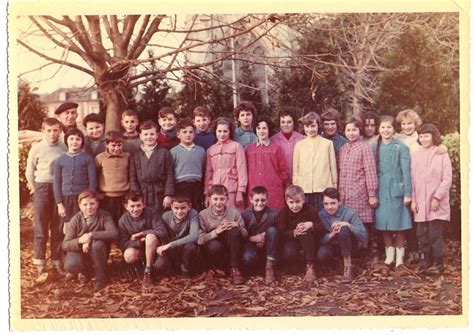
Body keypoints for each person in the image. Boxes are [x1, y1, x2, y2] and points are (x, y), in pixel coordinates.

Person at [394, 109, 448, 263]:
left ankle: (429, 257)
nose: (407, 126)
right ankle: (414, 251)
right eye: (404, 124)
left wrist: (444, 148)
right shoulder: (398, 139)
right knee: (411, 222)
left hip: (424, 184)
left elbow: (437, 146)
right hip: (406, 182)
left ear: (416, 124)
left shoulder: (422, 138)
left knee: (426, 226)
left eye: (410, 123)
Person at [26, 117, 67, 279]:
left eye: (55, 130)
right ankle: (40, 264)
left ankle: (57, 262)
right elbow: (29, 171)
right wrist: (35, 188)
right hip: (41, 187)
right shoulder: (36, 148)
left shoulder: (64, 147)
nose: (52, 133)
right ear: (43, 131)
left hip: (59, 189)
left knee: (57, 228)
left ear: (60, 131)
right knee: (41, 228)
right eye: (48, 130)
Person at [410, 123, 452, 275]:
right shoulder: (415, 154)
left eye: (426, 136)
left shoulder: (441, 154)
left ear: (433, 136)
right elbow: (413, 180)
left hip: (435, 202)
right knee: (422, 234)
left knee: (435, 234)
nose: (423, 139)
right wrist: (414, 200)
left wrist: (437, 197)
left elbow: (447, 179)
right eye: (421, 136)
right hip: (420, 201)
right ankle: (426, 261)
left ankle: (438, 263)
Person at [374, 115, 412, 269]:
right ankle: (389, 257)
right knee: (384, 223)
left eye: (388, 127)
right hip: (381, 189)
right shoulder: (375, 147)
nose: (386, 130)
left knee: (399, 223)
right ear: (379, 129)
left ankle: (400, 259)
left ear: (394, 129)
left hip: (397, 187)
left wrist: (407, 193)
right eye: (383, 127)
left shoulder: (401, 147)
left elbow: (406, 172)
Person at [62, 190, 118, 291]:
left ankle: (101, 278)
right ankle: (85, 271)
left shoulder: (104, 215)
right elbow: (65, 244)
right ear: (79, 206)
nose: (89, 207)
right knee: (71, 265)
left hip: (98, 251)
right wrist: (80, 240)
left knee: (97, 245)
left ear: (97, 203)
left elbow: (113, 232)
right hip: (80, 252)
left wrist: (91, 235)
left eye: (92, 203)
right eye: (85, 204)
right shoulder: (76, 219)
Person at [338, 116, 378, 255]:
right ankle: (353, 252)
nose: (351, 133)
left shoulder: (364, 148)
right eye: (348, 130)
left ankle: (365, 250)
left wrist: (372, 194)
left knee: (362, 222)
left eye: (354, 130)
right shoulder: (343, 148)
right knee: (348, 222)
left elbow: (370, 171)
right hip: (345, 193)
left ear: (359, 131)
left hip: (360, 192)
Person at [198, 185, 248, 285]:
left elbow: (245, 235)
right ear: (210, 199)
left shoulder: (234, 212)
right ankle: (218, 269)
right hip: (214, 246)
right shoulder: (203, 215)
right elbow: (200, 240)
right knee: (214, 246)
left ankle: (234, 269)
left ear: (227, 199)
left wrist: (237, 225)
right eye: (215, 199)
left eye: (222, 199)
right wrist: (216, 231)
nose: (218, 202)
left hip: (231, 245)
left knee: (233, 230)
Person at [317, 188, 367, 283]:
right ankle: (336, 265)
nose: (329, 207)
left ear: (339, 202)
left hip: (350, 244)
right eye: (326, 204)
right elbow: (320, 240)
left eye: (333, 203)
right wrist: (331, 234)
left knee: (343, 229)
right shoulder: (321, 215)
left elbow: (363, 235)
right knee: (322, 254)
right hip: (333, 245)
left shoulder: (349, 212)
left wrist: (348, 225)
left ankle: (348, 266)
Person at [276, 185, 325, 282]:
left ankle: (310, 266)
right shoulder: (284, 212)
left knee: (304, 231)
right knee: (289, 252)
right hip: (292, 241)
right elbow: (281, 232)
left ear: (303, 200)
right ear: (286, 202)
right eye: (291, 202)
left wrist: (311, 224)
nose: (295, 205)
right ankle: (297, 265)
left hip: (310, 242)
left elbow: (322, 228)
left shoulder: (310, 210)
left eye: (298, 202)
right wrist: (294, 232)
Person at [118, 191, 165, 288]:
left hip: (154, 247)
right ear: (126, 206)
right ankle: (141, 269)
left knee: (150, 238)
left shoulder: (151, 212)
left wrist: (142, 234)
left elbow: (162, 231)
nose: (135, 209)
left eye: (138, 205)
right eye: (132, 206)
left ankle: (148, 271)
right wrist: (139, 241)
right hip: (138, 248)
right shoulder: (123, 220)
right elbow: (122, 243)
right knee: (128, 255)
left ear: (143, 205)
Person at [293, 111, 337, 212]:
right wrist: (297, 188)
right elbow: (296, 169)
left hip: (323, 188)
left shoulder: (327, 144)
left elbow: (333, 168)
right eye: (307, 127)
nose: (310, 129)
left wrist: (334, 187)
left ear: (318, 126)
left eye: (313, 126)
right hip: (305, 189)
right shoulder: (299, 145)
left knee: (323, 216)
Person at [54, 128, 97, 228]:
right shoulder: (60, 160)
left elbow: (93, 181)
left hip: (82, 198)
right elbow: (57, 183)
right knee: (67, 226)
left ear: (82, 141)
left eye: (78, 139)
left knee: (83, 225)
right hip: (66, 198)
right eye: (71, 139)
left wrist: (89, 199)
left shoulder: (88, 158)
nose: (74, 142)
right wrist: (59, 204)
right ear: (66, 141)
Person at [129, 120, 174, 211]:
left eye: (152, 134)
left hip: (160, 193)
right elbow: (132, 178)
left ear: (157, 135)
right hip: (143, 193)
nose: (149, 137)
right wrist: (137, 195)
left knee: (160, 218)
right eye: (145, 134)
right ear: (140, 136)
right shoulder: (135, 155)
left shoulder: (164, 153)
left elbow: (170, 175)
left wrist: (168, 195)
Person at [246, 115, 289, 210]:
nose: (261, 131)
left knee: (274, 214)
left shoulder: (276, 148)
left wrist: (283, 185)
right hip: (254, 188)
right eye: (259, 128)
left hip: (273, 190)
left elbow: (283, 171)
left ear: (269, 129)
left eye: (264, 128)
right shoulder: (249, 149)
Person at [204, 117, 247, 211]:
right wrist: (207, 194)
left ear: (230, 132)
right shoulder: (211, 150)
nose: (222, 134)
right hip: (215, 191)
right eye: (219, 131)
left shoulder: (236, 147)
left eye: (225, 131)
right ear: (215, 131)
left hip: (232, 189)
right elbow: (208, 173)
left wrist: (240, 191)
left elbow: (242, 170)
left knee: (232, 216)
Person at [241, 186, 279, 284]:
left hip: (268, 245)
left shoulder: (273, 214)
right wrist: (253, 239)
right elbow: (241, 235)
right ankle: (257, 267)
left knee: (273, 230)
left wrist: (264, 238)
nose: (260, 203)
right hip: (251, 244)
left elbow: (278, 233)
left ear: (267, 199)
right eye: (256, 200)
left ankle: (269, 267)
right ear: (251, 200)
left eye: (263, 200)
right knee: (248, 258)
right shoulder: (245, 214)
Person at [157, 194, 201, 277]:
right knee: (159, 266)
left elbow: (194, 236)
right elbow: (161, 234)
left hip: (185, 245)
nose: (179, 211)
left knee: (191, 247)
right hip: (171, 248)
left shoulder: (193, 214)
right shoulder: (166, 216)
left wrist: (170, 245)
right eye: (176, 208)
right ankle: (171, 269)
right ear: (171, 206)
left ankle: (185, 268)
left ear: (189, 206)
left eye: (183, 208)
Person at [170, 118, 206, 211]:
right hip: (181, 186)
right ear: (178, 135)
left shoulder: (201, 151)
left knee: (196, 209)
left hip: (197, 186)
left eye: (191, 132)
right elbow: (170, 172)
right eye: (184, 132)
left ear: (194, 134)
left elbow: (204, 169)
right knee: (183, 211)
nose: (188, 134)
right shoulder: (174, 152)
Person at [95, 130, 130, 223]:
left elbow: (131, 175)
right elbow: (95, 175)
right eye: (113, 145)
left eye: (119, 145)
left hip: (124, 196)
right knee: (109, 221)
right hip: (106, 197)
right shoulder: (100, 158)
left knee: (123, 221)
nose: (117, 148)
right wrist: (97, 193)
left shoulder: (127, 157)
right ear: (106, 144)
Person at [270, 106, 304, 183]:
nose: (286, 125)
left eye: (289, 122)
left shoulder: (302, 139)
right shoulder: (273, 140)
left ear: (293, 122)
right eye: (283, 122)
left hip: (299, 182)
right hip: (280, 182)